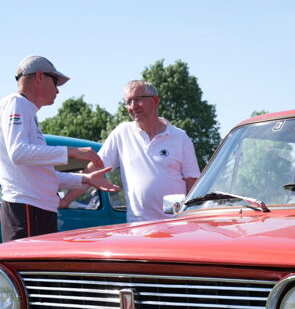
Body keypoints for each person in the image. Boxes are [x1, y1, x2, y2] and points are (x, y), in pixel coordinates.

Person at [0, 55, 119, 242]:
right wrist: (71, 151)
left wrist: (86, 179)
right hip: (27, 209)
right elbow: (18, 153)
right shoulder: (17, 102)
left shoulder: (25, 108)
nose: (57, 90)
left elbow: (42, 175)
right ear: (39, 76)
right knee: (32, 262)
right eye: (55, 82)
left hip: (35, 209)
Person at [64, 80, 200, 223]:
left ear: (155, 101)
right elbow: (93, 171)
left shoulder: (180, 137)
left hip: (175, 225)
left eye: (138, 99)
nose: (133, 106)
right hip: (138, 226)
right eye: (128, 102)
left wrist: (192, 220)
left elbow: (193, 183)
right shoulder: (122, 133)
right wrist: (65, 202)